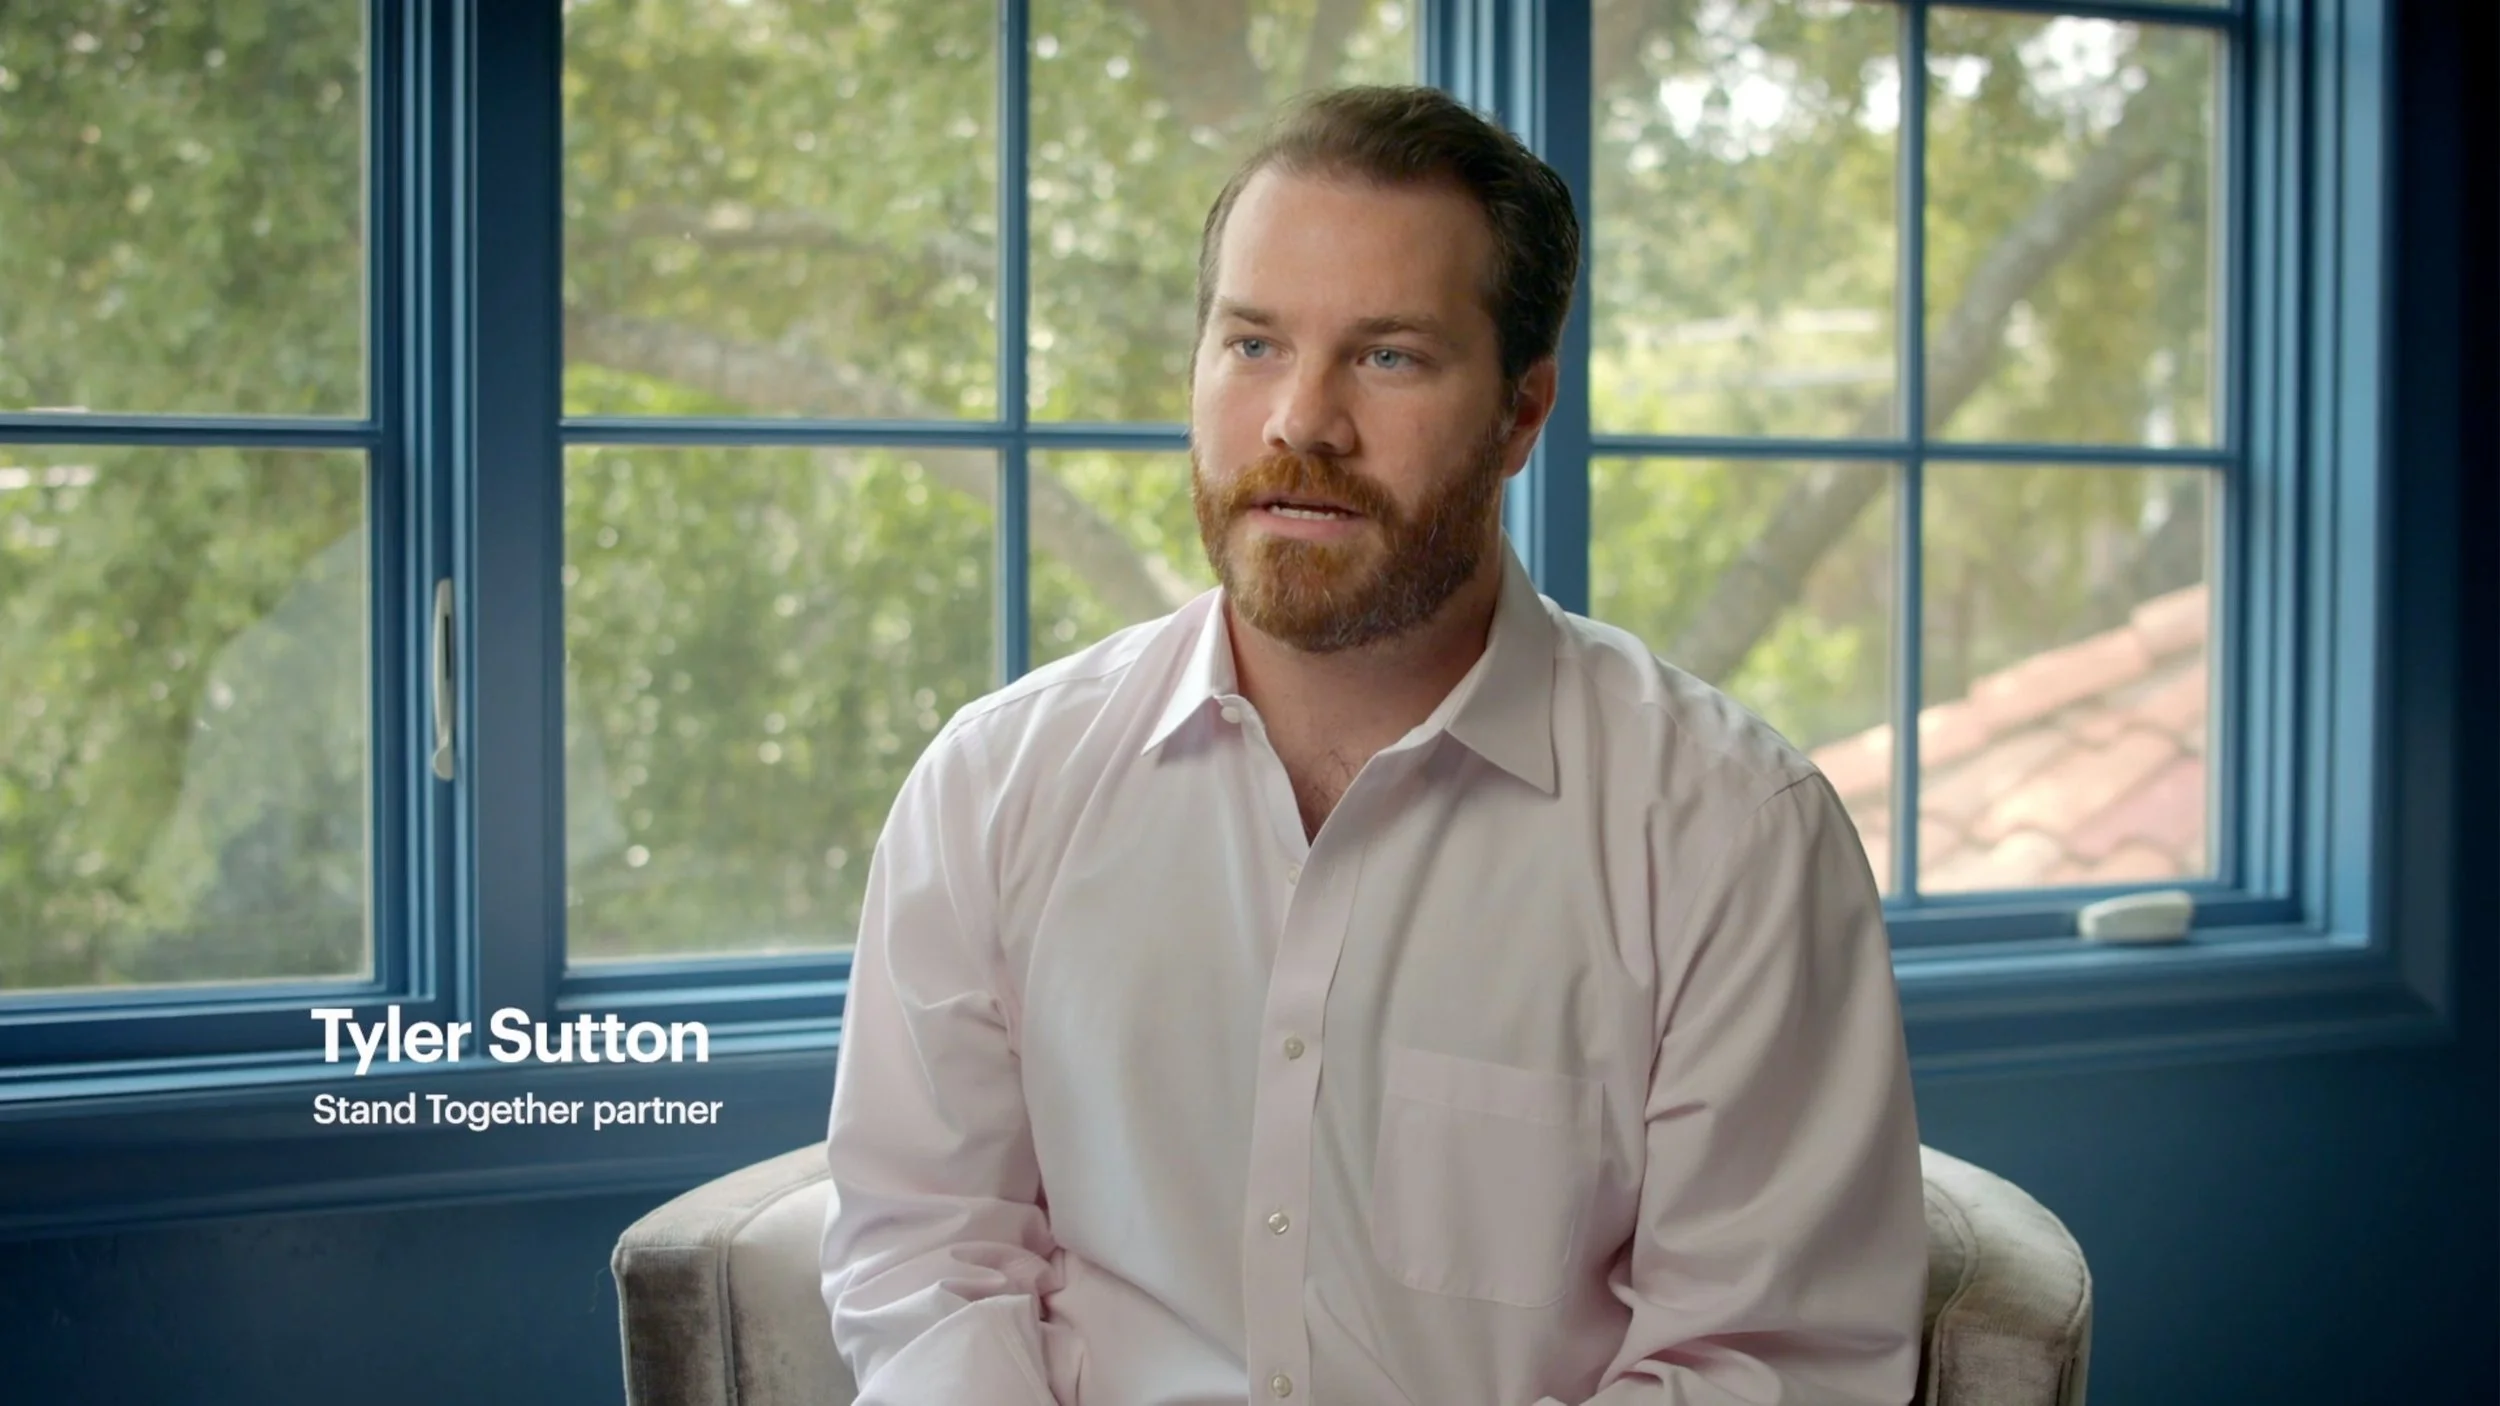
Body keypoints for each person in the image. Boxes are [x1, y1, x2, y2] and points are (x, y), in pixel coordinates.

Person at [819, 85, 1926, 1406]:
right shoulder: (992, 790)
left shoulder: (1731, 835)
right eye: (1252, 345)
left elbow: (1765, 1359)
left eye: (1388, 355)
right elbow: (929, 1257)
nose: (1301, 421)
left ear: (1522, 413)